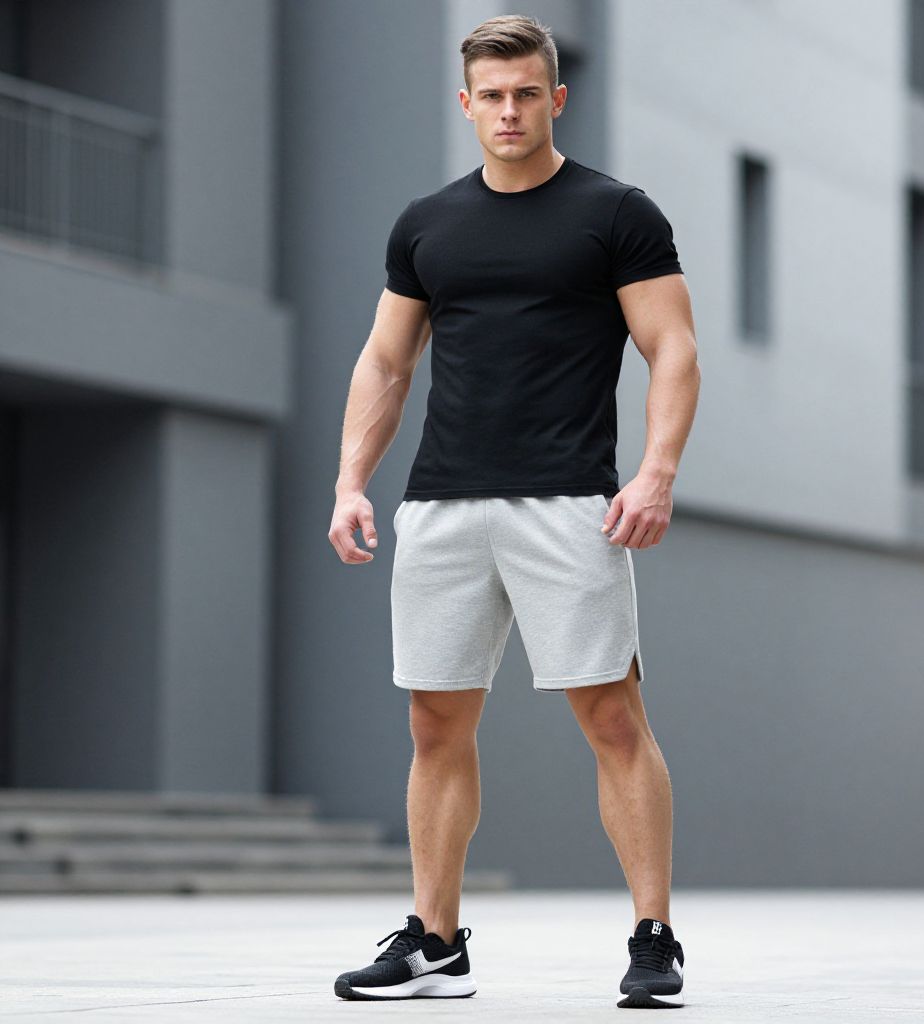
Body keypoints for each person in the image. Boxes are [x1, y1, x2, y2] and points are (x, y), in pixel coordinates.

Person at [328, 13, 699, 1010]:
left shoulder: (615, 214)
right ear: (465, 104)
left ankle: (652, 937)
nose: (507, 110)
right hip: (442, 503)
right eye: (490, 95)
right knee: (435, 725)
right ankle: (435, 943)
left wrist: (655, 471)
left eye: (525, 93)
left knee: (612, 716)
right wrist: (350, 481)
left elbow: (672, 349)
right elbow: (386, 359)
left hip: (571, 500)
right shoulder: (426, 224)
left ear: (554, 98)